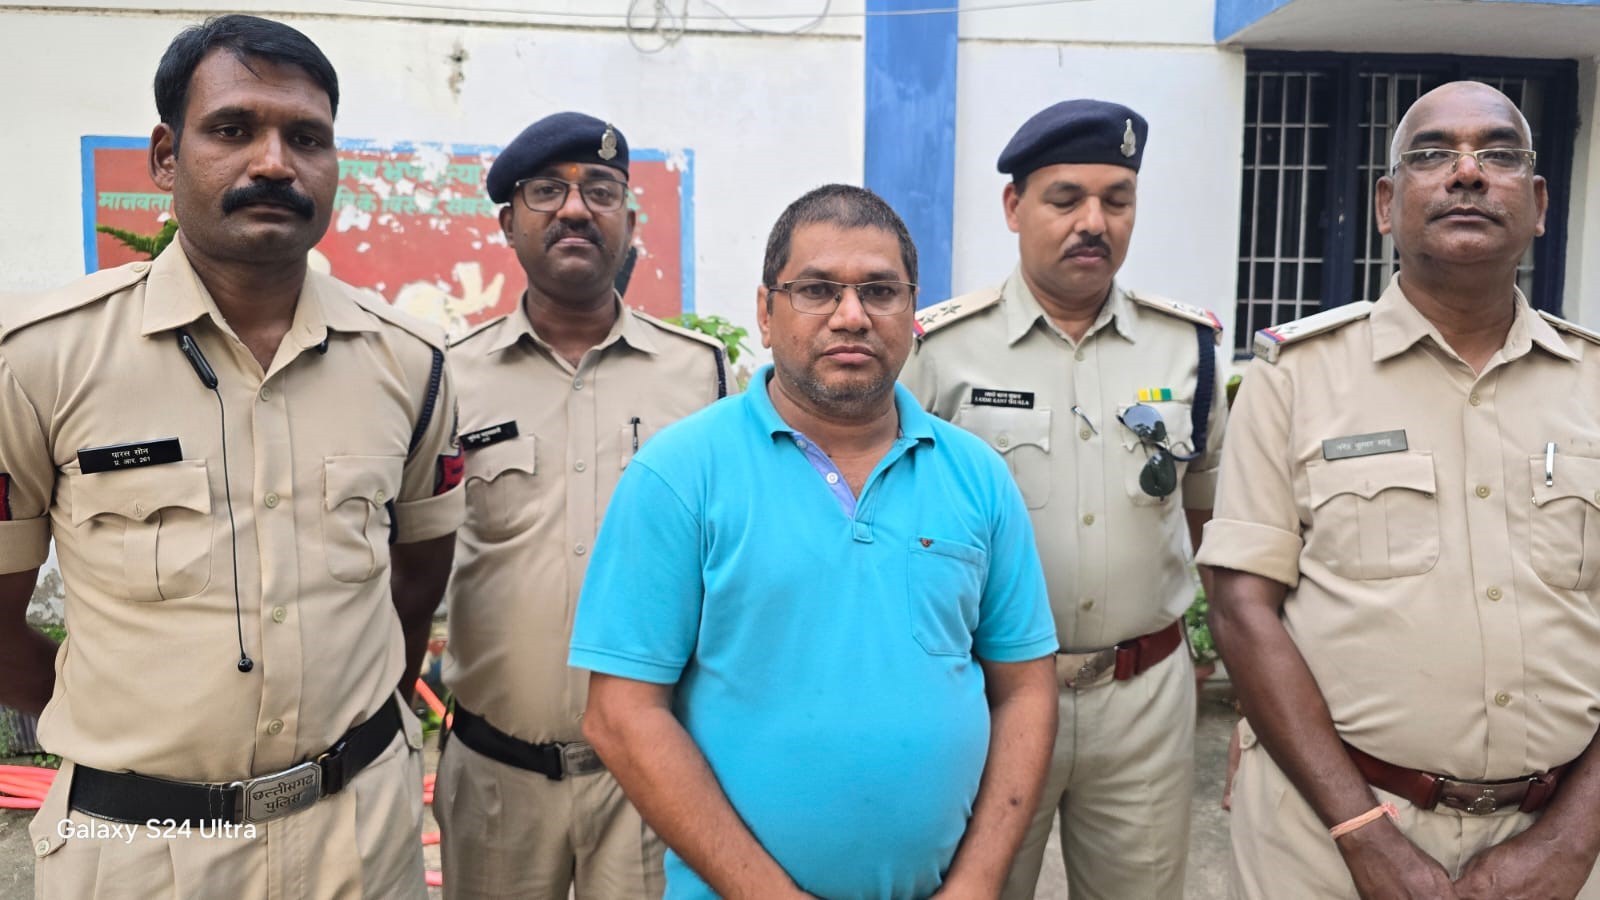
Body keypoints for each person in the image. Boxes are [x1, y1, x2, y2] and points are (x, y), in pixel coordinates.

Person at [0, 15, 461, 898]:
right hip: (141, 849)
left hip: (361, 839)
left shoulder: (410, 362)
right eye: (233, 129)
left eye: (307, 138)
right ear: (166, 157)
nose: (275, 163)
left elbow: (416, 581)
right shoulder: (41, 360)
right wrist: (118, 723)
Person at [567, 184, 1060, 899]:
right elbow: (620, 714)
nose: (852, 316)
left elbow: (1026, 691)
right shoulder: (680, 473)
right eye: (817, 290)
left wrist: (977, 884)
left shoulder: (977, 475)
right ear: (766, 313)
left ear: (912, 313)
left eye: (880, 292)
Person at [1198, 80, 1600, 899]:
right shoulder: (1295, 377)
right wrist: (1364, 835)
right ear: (1386, 205)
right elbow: (1241, 608)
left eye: (1498, 154)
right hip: (1321, 838)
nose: (1467, 172)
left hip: (1557, 839)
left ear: (1539, 204)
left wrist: (1570, 841)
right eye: (1431, 154)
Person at [902, 98, 1227, 900]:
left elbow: (1203, 516)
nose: (1094, 222)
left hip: (1144, 698)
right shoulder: (939, 350)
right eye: (1066, 199)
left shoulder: (1187, 348)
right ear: (1014, 207)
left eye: (1117, 200)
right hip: (987, 695)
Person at [433, 111, 727, 900]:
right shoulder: (448, 377)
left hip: (653, 779)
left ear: (629, 221)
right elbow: (413, 558)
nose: (575, 209)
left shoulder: (700, 375)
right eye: (546, 192)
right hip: (496, 777)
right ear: (508, 223)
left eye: (601, 190)